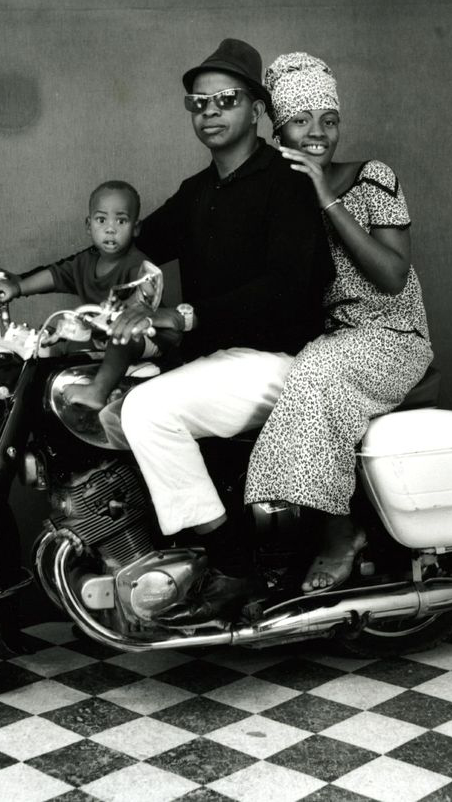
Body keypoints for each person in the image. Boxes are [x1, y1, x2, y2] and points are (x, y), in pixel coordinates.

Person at [105, 39, 333, 625]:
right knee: (106, 406)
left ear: (256, 107)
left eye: (226, 99)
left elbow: (287, 288)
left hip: (283, 362)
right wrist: (22, 283)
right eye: (197, 102)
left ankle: (234, 566)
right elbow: (128, 251)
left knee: (150, 411)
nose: (209, 110)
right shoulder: (198, 192)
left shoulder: (289, 182)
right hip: (218, 360)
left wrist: (184, 315)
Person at [244, 52, 433, 593]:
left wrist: (327, 196)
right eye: (300, 121)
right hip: (332, 338)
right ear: (278, 128)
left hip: (393, 335)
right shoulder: (277, 195)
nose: (317, 133)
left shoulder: (373, 177)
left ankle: (340, 535)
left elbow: (393, 276)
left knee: (317, 371)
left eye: (328, 120)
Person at [0, 179, 164, 410]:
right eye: (101, 220)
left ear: (136, 228)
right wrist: (17, 288)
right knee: (55, 332)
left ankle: (97, 391)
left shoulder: (137, 264)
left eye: (121, 220)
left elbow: (145, 298)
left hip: (145, 336)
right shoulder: (86, 261)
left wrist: (124, 307)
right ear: (89, 225)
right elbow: (55, 275)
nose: (110, 228)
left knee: (124, 336)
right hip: (101, 334)